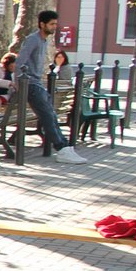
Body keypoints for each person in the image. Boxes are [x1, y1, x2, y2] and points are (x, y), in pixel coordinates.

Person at [12, 10, 87, 164]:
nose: (54, 27)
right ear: (42, 24)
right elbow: (20, 62)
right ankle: (61, 148)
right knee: (47, 115)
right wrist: (20, 84)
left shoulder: (44, 41)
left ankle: (65, 147)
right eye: (52, 24)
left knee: (51, 114)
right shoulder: (33, 39)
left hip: (37, 82)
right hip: (31, 84)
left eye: (55, 24)